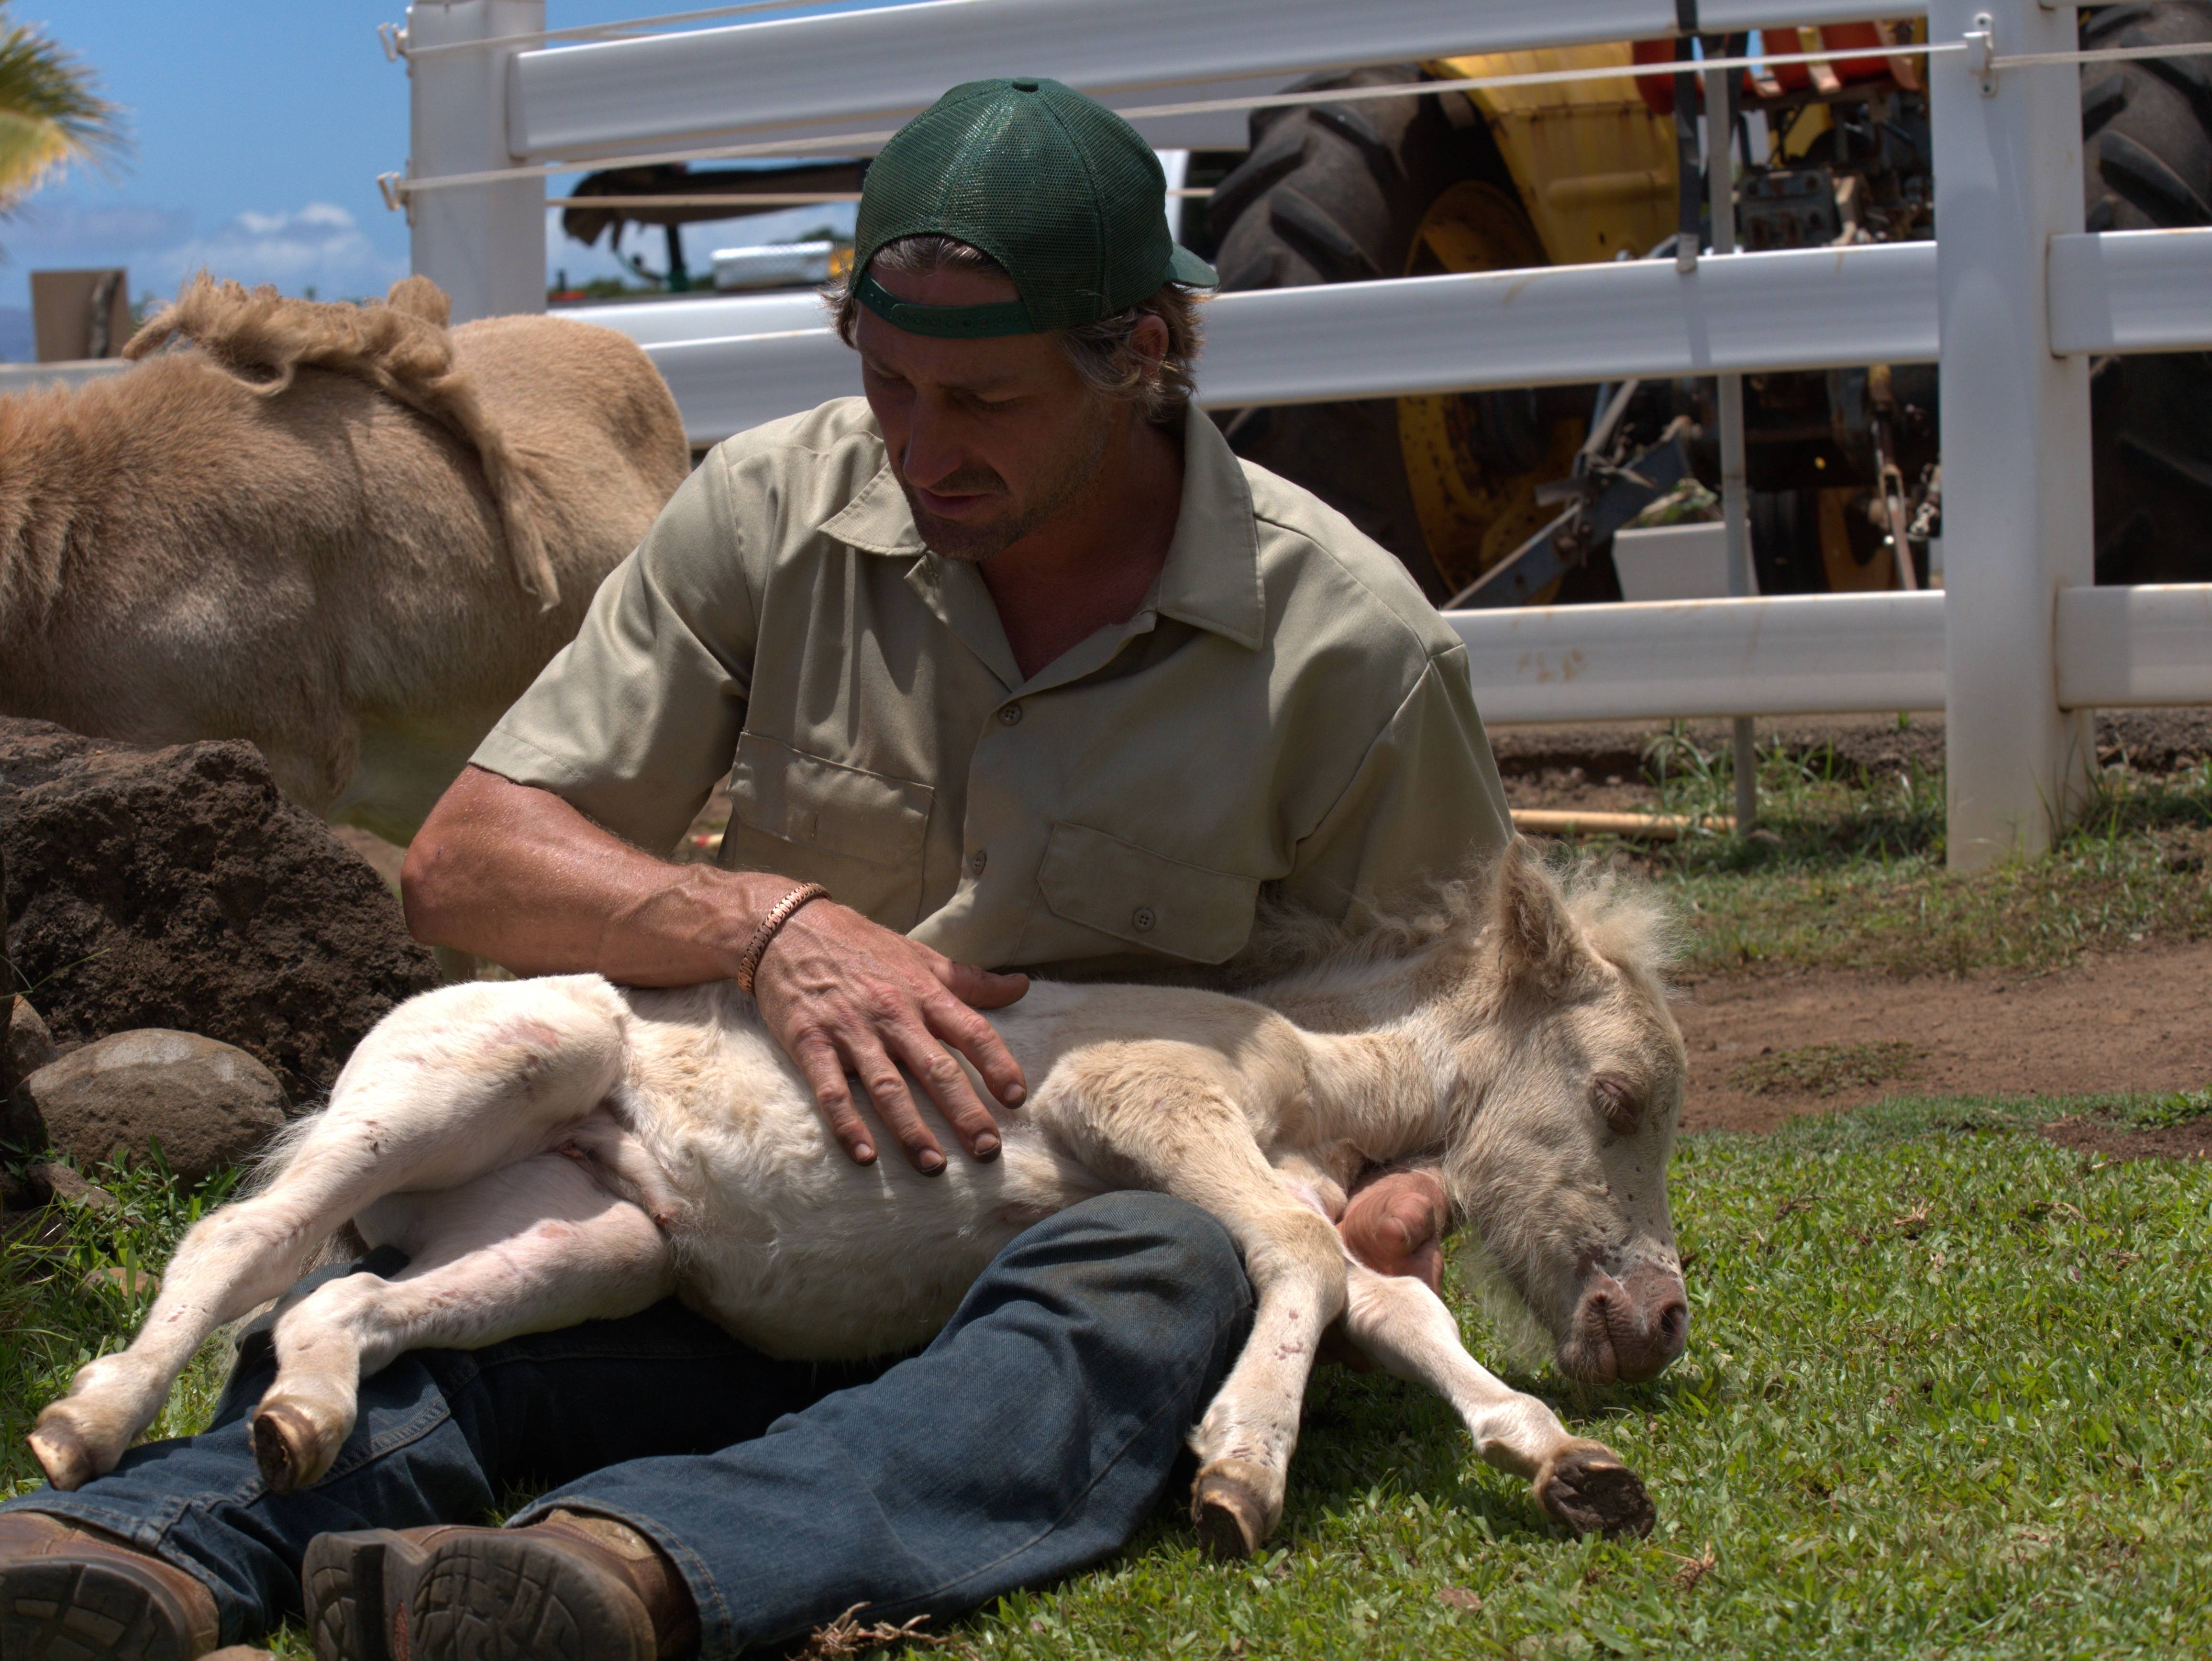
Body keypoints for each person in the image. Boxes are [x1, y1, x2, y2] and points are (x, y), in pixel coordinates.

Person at [0, 77, 1512, 1661]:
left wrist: (1394, 1205)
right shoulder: (775, 505)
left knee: (1170, 1265)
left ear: (1142, 355)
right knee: (456, 1272)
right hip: (731, 1225)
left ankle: (637, 1563)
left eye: (983, 401)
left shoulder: (1356, 648)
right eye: (887, 383)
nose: (920, 448)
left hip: (1048, 1250)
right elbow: (468, 866)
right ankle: (149, 1542)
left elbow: (1484, 1051)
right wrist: (761, 920)